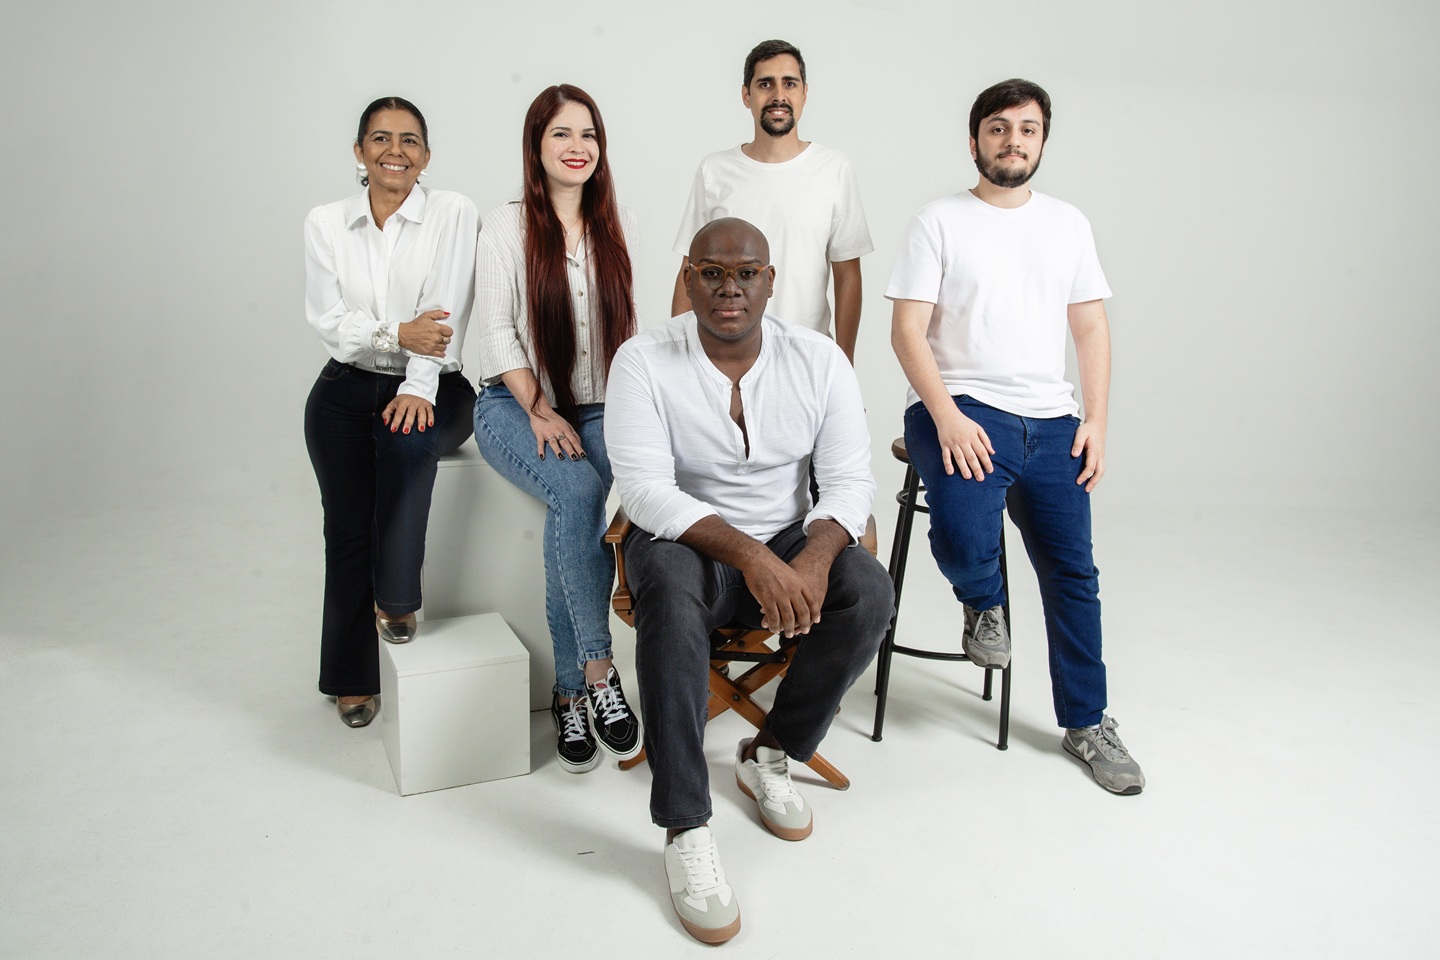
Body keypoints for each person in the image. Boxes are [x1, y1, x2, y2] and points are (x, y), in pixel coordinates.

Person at [606, 218, 894, 944]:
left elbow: (848, 482)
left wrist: (810, 561)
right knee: (669, 594)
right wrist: (754, 561)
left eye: (745, 274)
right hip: (690, 541)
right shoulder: (642, 360)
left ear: (770, 280)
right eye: (711, 272)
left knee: (869, 592)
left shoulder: (819, 359)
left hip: (790, 536)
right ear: (689, 277)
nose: (728, 288)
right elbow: (646, 492)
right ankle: (686, 827)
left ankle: (772, 753)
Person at [887, 78, 1145, 795]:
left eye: (1028, 129)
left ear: (1042, 142)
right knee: (964, 536)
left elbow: (1089, 326)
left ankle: (1087, 724)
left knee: (1073, 573)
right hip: (961, 404)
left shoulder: (1067, 223)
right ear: (974, 141)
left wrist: (1096, 419)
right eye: (998, 128)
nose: (1013, 140)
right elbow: (906, 330)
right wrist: (946, 415)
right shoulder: (938, 220)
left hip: (1052, 418)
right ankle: (983, 601)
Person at [472, 84, 642, 773]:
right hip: (511, 404)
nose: (578, 147)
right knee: (577, 493)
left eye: (589, 134)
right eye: (561, 134)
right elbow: (496, 330)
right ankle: (600, 670)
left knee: (575, 516)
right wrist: (539, 408)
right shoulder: (505, 225)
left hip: (598, 406)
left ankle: (567, 693)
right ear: (536, 146)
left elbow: (624, 335)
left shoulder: (611, 226)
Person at [303, 96, 479, 728]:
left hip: (438, 385)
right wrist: (397, 333)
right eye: (380, 138)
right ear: (359, 151)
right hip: (344, 389)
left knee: (407, 442)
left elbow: (442, 314)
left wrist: (417, 384)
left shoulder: (452, 212)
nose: (394, 151)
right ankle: (351, 677)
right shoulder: (326, 223)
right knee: (346, 530)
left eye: (409, 140)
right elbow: (328, 321)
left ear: (426, 156)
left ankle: (398, 597)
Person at [670, 39, 872, 362]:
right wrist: (683, 362)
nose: (778, 95)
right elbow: (690, 271)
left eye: (789, 83)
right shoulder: (714, 171)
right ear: (746, 95)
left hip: (808, 357)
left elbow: (847, 276)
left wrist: (843, 364)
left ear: (804, 93)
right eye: (765, 84)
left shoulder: (834, 168)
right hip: (724, 358)